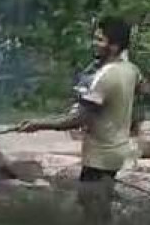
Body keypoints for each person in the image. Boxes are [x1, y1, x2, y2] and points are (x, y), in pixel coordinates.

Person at [18, 16, 140, 185]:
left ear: (114, 46)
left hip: (100, 156)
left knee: (92, 204)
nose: (94, 43)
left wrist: (38, 124)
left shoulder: (105, 76)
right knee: (100, 203)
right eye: (95, 38)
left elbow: (78, 119)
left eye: (100, 40)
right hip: (117, 150)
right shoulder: (131, 70)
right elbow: (135, 101)